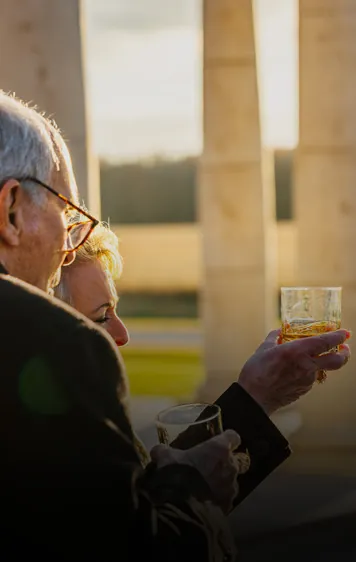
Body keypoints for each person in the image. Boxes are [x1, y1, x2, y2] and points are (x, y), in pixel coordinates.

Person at [0, 91, 243, 561]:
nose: (69, 248)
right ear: (11, 210)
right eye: (65, 215)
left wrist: (257, 394)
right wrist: (192, 486)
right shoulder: (57, 343)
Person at [54, 222, 352, 504]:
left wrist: (259, 398)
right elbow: (149, 540)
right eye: (102, 316)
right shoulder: (57, 447)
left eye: (116, 310)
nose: (123, 334)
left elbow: (152, 498)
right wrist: (257, 396)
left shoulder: (85, 417)